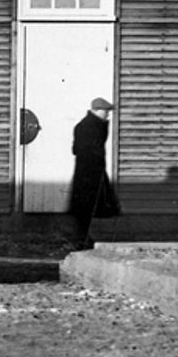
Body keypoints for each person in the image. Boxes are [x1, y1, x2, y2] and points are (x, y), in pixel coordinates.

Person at [66, 98, 120, 250]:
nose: (108, 115)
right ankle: (80, 238)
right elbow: (80, 150)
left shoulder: (93, 125)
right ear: (95, 110)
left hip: (91, 172)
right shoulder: (88, 127)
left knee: (88, 208)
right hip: (88, 173)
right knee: (85, 207)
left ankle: (83, 237)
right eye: (105, 111)